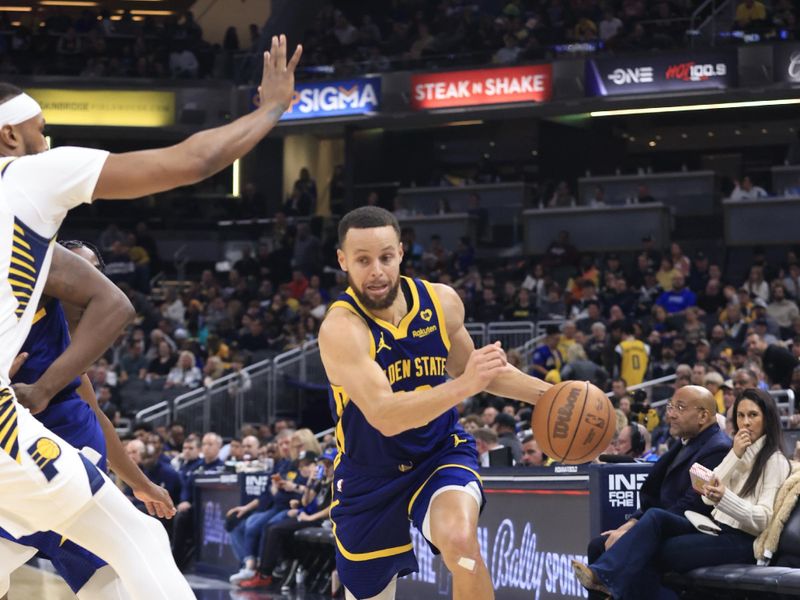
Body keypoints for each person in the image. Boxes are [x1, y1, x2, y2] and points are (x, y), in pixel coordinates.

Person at [0, 36, 300, 600]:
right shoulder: (24, 176)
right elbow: (192, 161)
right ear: (10, 134)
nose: (48, 141)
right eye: (41, 129)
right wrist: (271, 108)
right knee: (136, 537)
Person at [318, 206, 553, 600]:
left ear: (401, 253)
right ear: (343, 260)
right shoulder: (342, 329)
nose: (376, 271)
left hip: (438, 452)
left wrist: (557, 396)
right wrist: (465, 384)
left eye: (386, 257)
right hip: (369, 472)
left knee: (462, 545)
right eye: (362, 260)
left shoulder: (440, 302)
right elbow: (384, 416)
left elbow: (482, 372)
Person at [0, 242, 175, 599]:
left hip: (67, 460)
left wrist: (141, 484)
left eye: (96, 271)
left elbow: (96, 416)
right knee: (139, 544)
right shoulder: (21, 310)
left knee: (120, 565)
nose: (88, 279)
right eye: (81, 270)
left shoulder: (69, 348)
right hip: (21, 469)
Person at [573, 388, 790, 599]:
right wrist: (734, 456)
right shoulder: (737, 452)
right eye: (741, 415)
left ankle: (604, 576)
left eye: (753, 415)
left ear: (767, 419)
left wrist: (725, 497)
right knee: (650, 525)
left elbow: (761, 520)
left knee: (653, 547)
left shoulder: (774, 460)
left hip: (741, 540)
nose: (746, 422)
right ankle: (603, 577)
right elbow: (706, 493)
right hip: (714, 528)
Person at [581, 385, 731, 600]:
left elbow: (694, 503)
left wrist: (638, 532)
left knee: (641, 542)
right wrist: (631, 524)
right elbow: (654, 498)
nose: (670, 414)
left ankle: (602, 575)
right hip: (666, 521)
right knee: (599, 545)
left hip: (695, 526)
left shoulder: (717, 448)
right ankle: (601, 577)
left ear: (703, 415)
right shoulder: (685, 444)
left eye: (680, 407)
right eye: (670, 406)